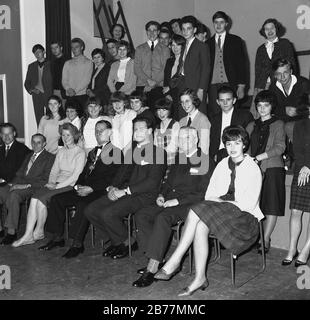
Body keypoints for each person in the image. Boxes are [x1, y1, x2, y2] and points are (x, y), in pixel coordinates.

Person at [154, 126, 263, 296]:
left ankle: (174, 261)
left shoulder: (252, 167)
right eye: (228, 144)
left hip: (244, 219)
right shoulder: (222, 164)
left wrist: (222, 201)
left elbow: (249, 204)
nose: (232, 148)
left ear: (244, 145)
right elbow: (210, 194)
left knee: (197, 210)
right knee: (200, 225)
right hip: (219, 211)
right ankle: (200, 278)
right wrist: (219, 201)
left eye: (236, 143)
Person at [133, 126, 209, 287]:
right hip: (169, 201)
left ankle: (151, 269)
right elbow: (167, 184)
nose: (183, 141)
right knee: (141, 215)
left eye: (187, 138)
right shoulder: (178, 158)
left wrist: (177, 202)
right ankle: (155, 259)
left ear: (196, 139)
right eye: (180, 138)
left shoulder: (205, 160)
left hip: (189, 205)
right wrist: (161, 195)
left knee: (162, 218)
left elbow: (202, 193)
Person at [84, 117, 167, 259]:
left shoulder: (158, 153)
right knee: (90, 210)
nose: (137, 132)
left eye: (141, 129)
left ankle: (124, 242)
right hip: (125, 192)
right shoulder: (132, 151)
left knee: (108, 214)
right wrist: (112, 187)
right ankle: (120, 241)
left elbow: (152, 182)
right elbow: (121, 173)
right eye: (135, 129)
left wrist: (124, 191)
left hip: (144, 195)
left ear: (150, 131)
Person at [39, 120, 122, 257]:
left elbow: (112, 178)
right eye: (96, 130)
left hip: (100, 190)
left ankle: (77, 244)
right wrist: (78, 185)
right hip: (84, 187)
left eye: (101, 130)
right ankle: (57, 238)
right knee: (57, 199)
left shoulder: (116, 152)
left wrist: (91, 188)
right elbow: (83, 173)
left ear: (110, 132)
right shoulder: (93, 152)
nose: (98, 133)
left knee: (83, 204)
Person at [12, 123, 86, 247]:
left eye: (68, 135)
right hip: (55, 183)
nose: (65, 137)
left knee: (41, 199)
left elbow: (75, 176)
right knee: (35, 197)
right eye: (63, 135)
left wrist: (56, 186)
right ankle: (28, 234)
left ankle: (39, 231)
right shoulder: (61, 151)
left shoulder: (80, 153)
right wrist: (51, 182)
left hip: (69, 185)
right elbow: (54, 170)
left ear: (74, 136)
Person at [247, 90, 286, 253]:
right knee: (255, 204)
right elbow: (244, 146)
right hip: (253, 169)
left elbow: (280, 147)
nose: (262, 109)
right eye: (259, 105)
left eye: (266, 105)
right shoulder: (251, 125)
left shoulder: (279, 124)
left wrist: (259, 157)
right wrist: (249, 160)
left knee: (271, 205)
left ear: (272, 106)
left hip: (272, 168)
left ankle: (266, 238)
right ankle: (255, 236)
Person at [0, 134, 55, 245]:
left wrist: (24, 186)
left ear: (44, 144)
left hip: (35, 187)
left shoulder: (50, 157)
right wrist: (12, 184)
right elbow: (19, 173)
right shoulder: (29, 155)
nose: (35, 145)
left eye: (38, 142)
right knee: (1, 191)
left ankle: (11, 232)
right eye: (33, 142)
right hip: (20, 184)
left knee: (14, 195)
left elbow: (46, 180)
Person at [281, 105, 310, 267]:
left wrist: (309, 166)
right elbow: (297, 148)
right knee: (295, 211)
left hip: (308, 168)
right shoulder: (300, 124)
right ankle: (292, 250)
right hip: (301, 169)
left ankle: (305, 251)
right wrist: (304, 165)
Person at [252, 18, 297, 116]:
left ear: (277, 29)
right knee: (260, 114)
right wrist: (258, 89)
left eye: (272, 28)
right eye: (266, 29)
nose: (270, 31)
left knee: (278, 112)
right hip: (263, 86)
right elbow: (257, 71)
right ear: (264, 32)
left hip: (281, 84)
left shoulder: (285, 44)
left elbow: (292, 65)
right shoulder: (260, 49)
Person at [207, 11, 247, 118]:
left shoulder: (236, 40)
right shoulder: (207, 43)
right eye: (216, 22)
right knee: (215, 115)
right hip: (212, 86)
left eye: (221, 22)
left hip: (231, 83)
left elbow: (242, 65)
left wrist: (241, 86)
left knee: (233, 114)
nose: (218, 25)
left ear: (226, 24)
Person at [209, 85, 253, 171]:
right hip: (217, 157)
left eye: (228, 100)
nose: (225, 103)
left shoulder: (245, 116)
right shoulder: (213, 119)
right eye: (222, 100)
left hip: (238, 154)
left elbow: (250, 139)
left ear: (234, 100)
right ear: (217, 102)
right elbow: (212, 140)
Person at [0, 123, 31, 237]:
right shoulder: (1, 149)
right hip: (3, 184)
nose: (6, 137)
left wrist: (6, 181)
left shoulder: (22, 150)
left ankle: (11, 232)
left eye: (9, 134)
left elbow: (23, 172)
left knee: (12, 197)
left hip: (17, 184)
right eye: (3, 134)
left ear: (14, 134)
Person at [177, 15, 211, 117]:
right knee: (183, 114)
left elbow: (206, 69)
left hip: (196, 87)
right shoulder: (183, 46)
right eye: (183, 29)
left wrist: (201, 89)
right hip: (183, 85)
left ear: (194, 30)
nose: (185, 32)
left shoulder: (202, 46)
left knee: (198, 115)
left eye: (189, 29)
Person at [134, 20, 170, 109]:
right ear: (146, 32)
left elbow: (165, 69)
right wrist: (147, 81)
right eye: (149, 30)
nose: (152, 32)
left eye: (154, 30)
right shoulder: (139, 48)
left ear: (158, 32)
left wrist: (153, 83)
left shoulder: (165, 49)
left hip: (158, 86)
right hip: (142, 85)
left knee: (157, 113)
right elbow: (137, 68)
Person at [268, 58, 310, 123]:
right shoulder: (273, 87)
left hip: (302, 121)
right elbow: (271, 107)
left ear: (291, 72)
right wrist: (284, 110)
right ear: (275, 75)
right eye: (279, 74)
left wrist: (298, 111)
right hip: (281, 122)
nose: (282, 77)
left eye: (285, 72)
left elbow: (307, 108)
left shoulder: (304, 84)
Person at [62, 38, 93, 113]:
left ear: (82, 47)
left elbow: (86, 80)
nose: (74, 49)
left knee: (82, 120)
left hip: (82, 96)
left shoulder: (89, 62)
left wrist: (74, 91)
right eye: (72, 47)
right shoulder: (67, 63)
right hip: (69, 95)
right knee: (70, 121)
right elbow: (64, 79)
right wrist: (68, 89)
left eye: (76, 47)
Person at [24, 44, 53, 124]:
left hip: (49, 94)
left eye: (39, 52)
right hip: (37, 95)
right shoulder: (31, 66)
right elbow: (27, 82)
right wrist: (32, 90)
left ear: (44, 52)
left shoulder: (51, 64)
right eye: (35, 53)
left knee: (51, 117)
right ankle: (40, 135)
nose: (37, 54)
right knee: (39, 119)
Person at [179, 89, 211, 157]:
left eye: (187, 101)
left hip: (197, 159)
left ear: (194, 101)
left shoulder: (203, 120)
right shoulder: (181, 121)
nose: (184, 105)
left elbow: (204, 148)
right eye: (182, 102)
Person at [163, 34, 186, 118]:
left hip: (181, 91)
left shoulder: (185, 60)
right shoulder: (169, 61)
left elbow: (181, 77)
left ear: (183, 46)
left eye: (178, 45)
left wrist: (169, 87)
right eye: (173, 45)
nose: (175, 48)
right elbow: (166, 79)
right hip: (170, 93)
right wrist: (167, 94)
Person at [154, 98, 180, 165]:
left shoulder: (175, 124)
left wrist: (161, 154)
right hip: (160, 161)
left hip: (172, 161)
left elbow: (174, 146)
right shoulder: (157, 128)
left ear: (169, 111)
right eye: (159, 110)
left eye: (164, 110)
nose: (161, 113)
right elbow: (155, 146)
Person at [50, 41, 67, 106]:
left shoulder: (68, 61)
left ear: (61, 48)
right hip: (55, 91)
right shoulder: (51, 62)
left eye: (56, 47)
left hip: (65, 91)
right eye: (52, 48)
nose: (54, 50)